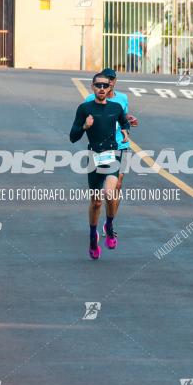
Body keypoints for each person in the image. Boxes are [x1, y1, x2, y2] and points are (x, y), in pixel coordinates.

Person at [70, 72, 131, 260]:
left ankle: (110, 226)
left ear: (110, 87)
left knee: (110, 194)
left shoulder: (116, 107)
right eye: (98, 85)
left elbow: (123, 120)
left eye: (105, 85)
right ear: (93, 87)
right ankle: (92, 236)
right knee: (96, 202)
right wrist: (85, 127)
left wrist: (125, 129)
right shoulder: (84, 108)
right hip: (94, 156)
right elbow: (73, 137)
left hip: (112, 154)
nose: (102, 89)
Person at [83, 68, 139, 244]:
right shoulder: (90, 100)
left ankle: (109, 223)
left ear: (114, 82)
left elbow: (123, 118)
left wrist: (129, 121)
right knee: (98, 196)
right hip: (99, 149)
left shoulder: (122, 99)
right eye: (106, 80)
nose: (109, 83)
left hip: (120, 146)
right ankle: (98, 227)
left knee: (116, 187)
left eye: (112, 80)